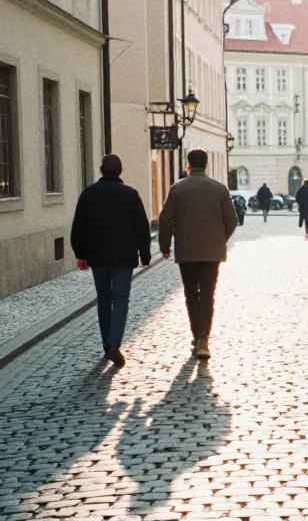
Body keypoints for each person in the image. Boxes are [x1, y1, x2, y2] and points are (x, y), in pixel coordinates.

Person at [69, 154, 152, 368]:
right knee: (121, 299)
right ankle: (114, 344)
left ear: (101, 170)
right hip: (124, 256)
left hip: (97, 256)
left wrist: (80, 254)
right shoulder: (130, 195)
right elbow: (142, 227)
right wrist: (145, 254)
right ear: (120, 171)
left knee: (104, 298)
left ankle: (107, 345)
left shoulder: (88, 194)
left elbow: (79, 226)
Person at [159, 149, 239, 359]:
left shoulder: (177, 189)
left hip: (187, 251)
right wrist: (220, 239)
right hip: (212, 252)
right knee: (208, 295)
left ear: (188, 164)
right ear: (206, 165)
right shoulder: (219, 189)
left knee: (191, 294)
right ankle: (204, 337)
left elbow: (166, 219)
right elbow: (232, 220)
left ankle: (196, 334)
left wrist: (165, 246)